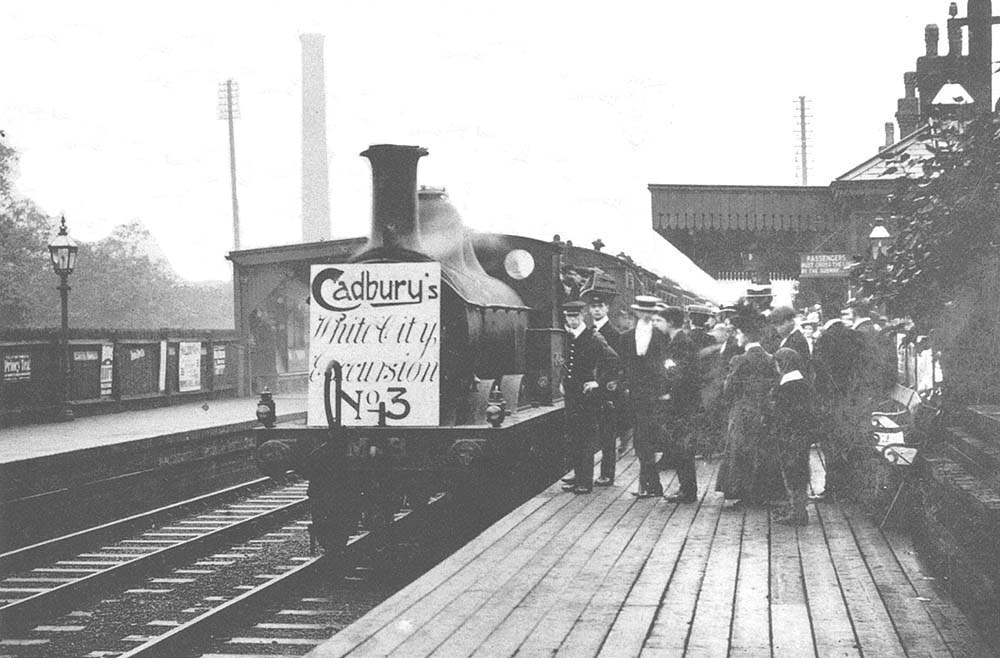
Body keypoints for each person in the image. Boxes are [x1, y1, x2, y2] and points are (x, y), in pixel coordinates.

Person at [716, 310, 781, 504]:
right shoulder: (770, 358)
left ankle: (742, 490)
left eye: (738, 334)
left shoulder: (739, 360)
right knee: (762, 450)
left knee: (741, 451)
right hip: (764, 411)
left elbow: (729, 389)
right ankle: (761, 492)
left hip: (743, 411)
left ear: (744, 335)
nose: (737, 337)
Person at [559, 300, 620, 494]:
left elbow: (614, 361)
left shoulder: (594, 337)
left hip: (587, 398)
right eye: (569, 316)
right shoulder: (569, 337)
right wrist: (563, 381)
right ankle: (579, 477)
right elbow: (566, 363)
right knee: (574, 437)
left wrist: (599, 383)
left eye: (576, 316)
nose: (573, 320)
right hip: (571, 395)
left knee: (585, 438)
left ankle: (585, 482)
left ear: (583, 316)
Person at [619, 295, 670, 498]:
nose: (647, 315)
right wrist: (624, 386)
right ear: (637, 312)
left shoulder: (661, 336)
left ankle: (650, 485)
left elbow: (666, 365)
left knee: (646, 439)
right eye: (643, 311)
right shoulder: (626, 337)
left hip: (655, 394)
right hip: (634, 394)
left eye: (650, 312)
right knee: (641, 440)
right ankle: (651, 485)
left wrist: (665, 390)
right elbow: (622, 365)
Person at [656, 305, 700, 502]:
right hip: (680, 403)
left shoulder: (681, 343)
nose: (657, 325)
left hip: (681, 404)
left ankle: (687, 491)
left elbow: (681, 376)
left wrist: (668, 394)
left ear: (670, 322)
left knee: (682, 448)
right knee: (680, 447)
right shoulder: (676, 341)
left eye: (660, 321)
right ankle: (686, 488)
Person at [768, 348, 816, 525]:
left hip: (790, 436)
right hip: (801, 435)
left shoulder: (787, 386)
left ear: (781, 365)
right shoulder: (803, 382)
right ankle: (797, 508)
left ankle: (798, 512)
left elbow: (781, 413)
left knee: (792, 471)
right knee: (800, 470)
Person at [582, 287, 622, 486]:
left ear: (607, 308)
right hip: (589, 389)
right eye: (593, 307)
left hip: (606, 390)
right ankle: (584, 473)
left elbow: (616, 363)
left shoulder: (613, 333)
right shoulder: (589, 332)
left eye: (600, 306)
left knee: (607, 434)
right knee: (588, 433)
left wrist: (600, 382)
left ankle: (607, 474)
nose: (596, 310)